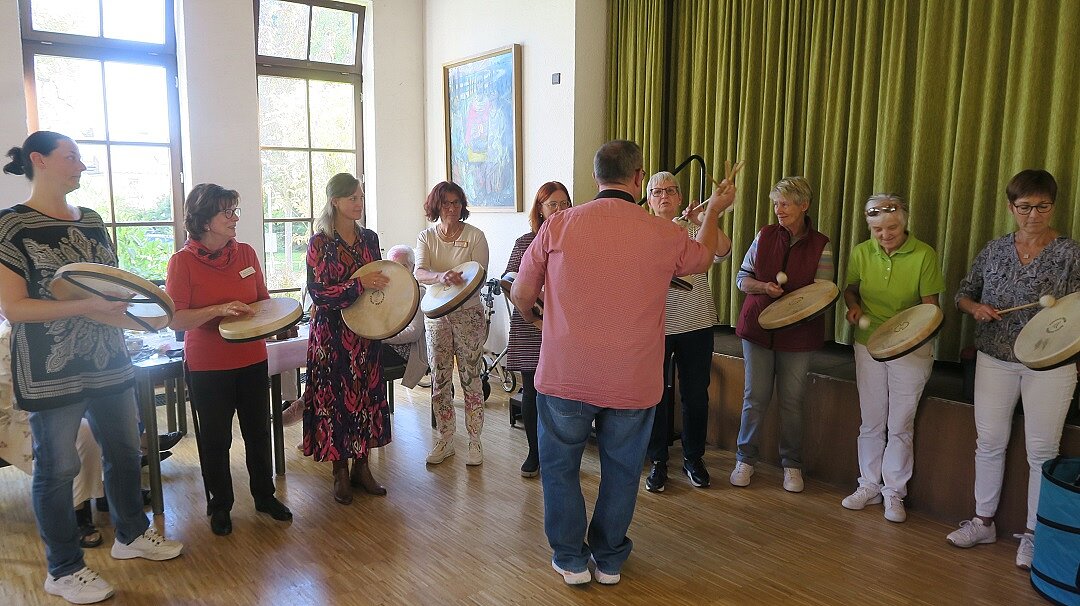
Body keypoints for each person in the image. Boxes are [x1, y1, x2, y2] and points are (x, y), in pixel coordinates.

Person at [512, 140, 735, 586]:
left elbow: (521, 292)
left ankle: (571, 559)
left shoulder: (557, 225)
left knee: (559, 468)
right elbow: (704, 256)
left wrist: (538, 318)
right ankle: (609, 558)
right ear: (639, 180)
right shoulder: (663, 232)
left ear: (596, 177)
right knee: (621, 470)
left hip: (565, 376)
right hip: (632, 380)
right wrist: (715, 210)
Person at [0, 131, 182, 604]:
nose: (81, 166)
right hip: (48, 370)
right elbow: (16, 309)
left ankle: (131, 535)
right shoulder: (11, 226)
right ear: (38, 160)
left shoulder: (95, 221)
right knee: (57, 469)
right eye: (72, 157)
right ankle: (62, 569)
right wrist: (87, 310)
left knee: (125, 451)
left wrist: (140, 316)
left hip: (109, 362)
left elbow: (109, 290)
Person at [946, 169, 1080, 569]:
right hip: (994, 358)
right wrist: (976, 309)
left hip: (1051, 365)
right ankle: (982, 521)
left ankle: (1036, 535)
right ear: (1011, 207)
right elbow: (962, 295)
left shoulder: (1071, 252)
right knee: (989, 442)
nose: (1033, 215)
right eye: (1025, 207)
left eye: (1042, 206)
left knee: (1042, 451)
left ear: (1053, 206)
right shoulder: (994, 250)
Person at [166, 182, 292, 536]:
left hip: (252, 358)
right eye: (227, 212)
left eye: (235, 211)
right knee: (217, 440)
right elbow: (176, 318)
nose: (235, 218)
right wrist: (218, 310)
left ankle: (264, 497)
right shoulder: (182, 262)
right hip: (208, 366)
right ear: (205, 220)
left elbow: (263, 301)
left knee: (257, 432)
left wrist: (279, 322)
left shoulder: (247, 254)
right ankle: (220, 506)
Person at [842, 194, 945, 523]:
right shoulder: (861, 252)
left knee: (900, 424)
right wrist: (853, 306)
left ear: (904, 223)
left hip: (910, 348)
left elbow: (931, 309)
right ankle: (869, 485)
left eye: (892, 228)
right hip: (868, 344)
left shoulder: (924, 254)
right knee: (871, 421)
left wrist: (907, 336)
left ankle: (893, 493)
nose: (884, 235)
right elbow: (851, 288)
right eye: (877, 230)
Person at [731, 176, 833, 493]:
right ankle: (744, 458)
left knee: (792, 401)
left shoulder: (821, 245)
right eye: (776, 203)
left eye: (785, 203)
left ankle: (792, 465)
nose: (778, 209)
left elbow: (824, 293)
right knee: (755, 398)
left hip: (798, 336)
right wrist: (764, 287)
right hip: (757, 330)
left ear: (804, 205)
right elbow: (741, 279)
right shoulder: (764, 236)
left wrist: (795, 307)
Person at [301, 173, 391, 505]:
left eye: (361, 197)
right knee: (335, 402)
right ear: (335, 201)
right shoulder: (319, 242)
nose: (358, 203)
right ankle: (339, 470)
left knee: (365, 399)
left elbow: (380, 279)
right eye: (352, 197)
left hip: (366, 332)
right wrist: (359, 285)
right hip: (331, 336)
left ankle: (362, 467)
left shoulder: (369, 239)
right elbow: (319, 292)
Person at [643, 171, 732, 493]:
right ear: (649, 199)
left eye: (670, 191)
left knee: (696, 395)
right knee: (655, 395)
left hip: (697, 325)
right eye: (656, 192)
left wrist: (704, 217)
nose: (664, 196)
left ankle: (694, 459)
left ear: (680, 197)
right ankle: (657, 461)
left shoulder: (698, 227)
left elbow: (723, 251)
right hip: (656, 326)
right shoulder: (643, 230)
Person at [414, 181, 490, 466]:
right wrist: (441, 276)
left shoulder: (475, 236)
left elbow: (478, 276)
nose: (451, 208)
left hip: (469, 315)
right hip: (436, 316)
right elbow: (419, 271)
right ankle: (445, 438)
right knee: (439, 379)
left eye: (456, 202)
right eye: (445, 203)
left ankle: (475, 441)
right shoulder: (426, 237)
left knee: (471, 379)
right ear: (436, 206)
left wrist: (456, 278)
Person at [504, 181, 571, 478]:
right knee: (530, 390)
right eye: (552, 204)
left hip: (565, 328)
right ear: (540, 210)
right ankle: (534, 452)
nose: (559, 209)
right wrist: (534, 318)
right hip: (529, 323)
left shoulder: (576, 239)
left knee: (560, 394)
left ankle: (559, 455)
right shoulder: (525, 241)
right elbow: (510, 282)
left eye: (564, 203)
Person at [383, 244, 428, 390]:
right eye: (395, 266)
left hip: (406, 350)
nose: (399, 271)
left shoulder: (419, 293)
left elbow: (413, 333)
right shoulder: (387, 291)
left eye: (404, 265)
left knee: (366, 355)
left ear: (413, 267)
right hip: (386, 344)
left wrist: (382, 338)